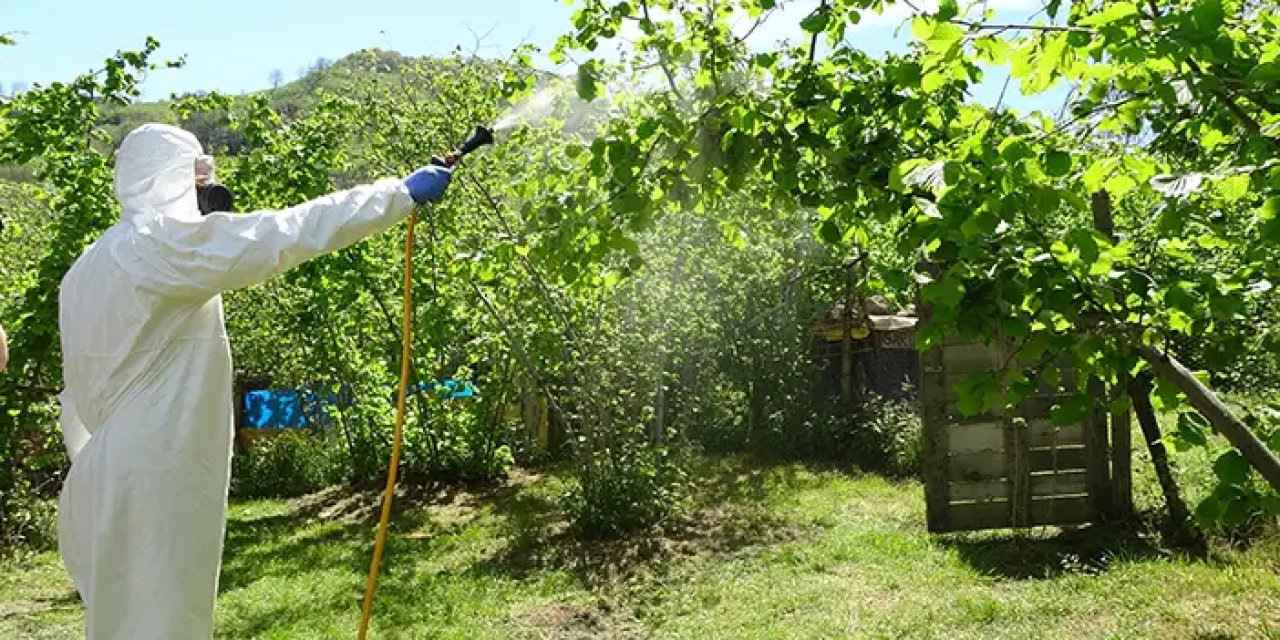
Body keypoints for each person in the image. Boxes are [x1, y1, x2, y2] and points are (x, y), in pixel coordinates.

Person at [56, 123, 453, 639]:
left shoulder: (91, 262)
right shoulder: (160, 248)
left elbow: (77, 391)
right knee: (163, 616)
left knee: (123, 617)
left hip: (106, 463)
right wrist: (394, 195)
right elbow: (282, 234)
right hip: (157, 460)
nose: (208, 191)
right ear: (167, 178)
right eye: (197, 177)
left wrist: (88, 460)